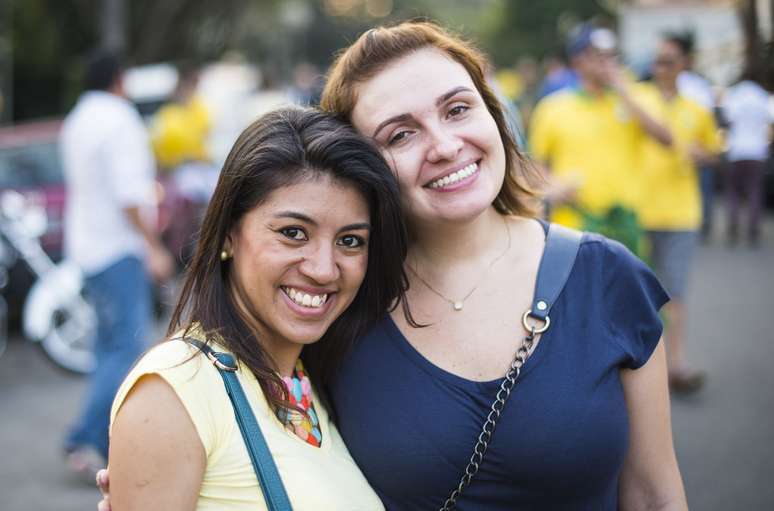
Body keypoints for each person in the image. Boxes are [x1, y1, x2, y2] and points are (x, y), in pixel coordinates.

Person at [99, 20, 688, 510]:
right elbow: (246, 431)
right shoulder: (340, 304)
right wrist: (157, 477)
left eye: (458, 109)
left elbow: (656, 494)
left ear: (493, 113)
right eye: (400, 134)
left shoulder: (607, 278)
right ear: (365, 169)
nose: (444, 144)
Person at [107, 106, 407, 509]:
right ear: (229, 233)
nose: (323, 269)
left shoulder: (308, 378)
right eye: (293, 233)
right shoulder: (173, 392)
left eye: (350, 241)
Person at [60, 49, 174, 479]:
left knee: (107, 347)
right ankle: (86, 438)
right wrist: (154, 248)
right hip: (117, 249)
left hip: (87, 247)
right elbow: (130, 196)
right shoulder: (119, 120)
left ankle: (103, 441)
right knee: (125, 346)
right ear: (120, 80)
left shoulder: (77, 120)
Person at [528, 23, 673, 240]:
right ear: (578, 61)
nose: (607, 62)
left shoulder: (635, 98)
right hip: (575, 222)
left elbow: (666, 139)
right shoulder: (553, 107)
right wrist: (553, 185)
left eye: (611, 55)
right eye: (598, 55)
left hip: (627, 221)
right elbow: (535, 163)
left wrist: (623, 90)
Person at [635, 36, 723, 392]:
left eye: (669, 61)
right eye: (657, 61)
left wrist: (705, 155)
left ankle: (677, 364)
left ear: (683, 64)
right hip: (639, 211)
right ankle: (639, 366)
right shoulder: (638, 100)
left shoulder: (696, 109)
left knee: (675, 293)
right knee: (637, 293)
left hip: (681, 212)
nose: (661, 68)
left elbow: (715, 150)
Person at [673, 32, 719, 241]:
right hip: (692, 147)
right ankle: (702, 225)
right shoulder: (699, 85)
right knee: (702, 189)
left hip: (692, 148)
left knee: (702, 188)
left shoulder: (695, 85)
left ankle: (700, 225)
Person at [721, 67, 773, 247]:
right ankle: (753, 228)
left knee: (734, 191)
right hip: (756, 150)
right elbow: (770, 119)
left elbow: (727, 119)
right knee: (754, 190)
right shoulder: (761, 96)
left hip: (736, 150)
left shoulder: (735, 95)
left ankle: (733, 225)